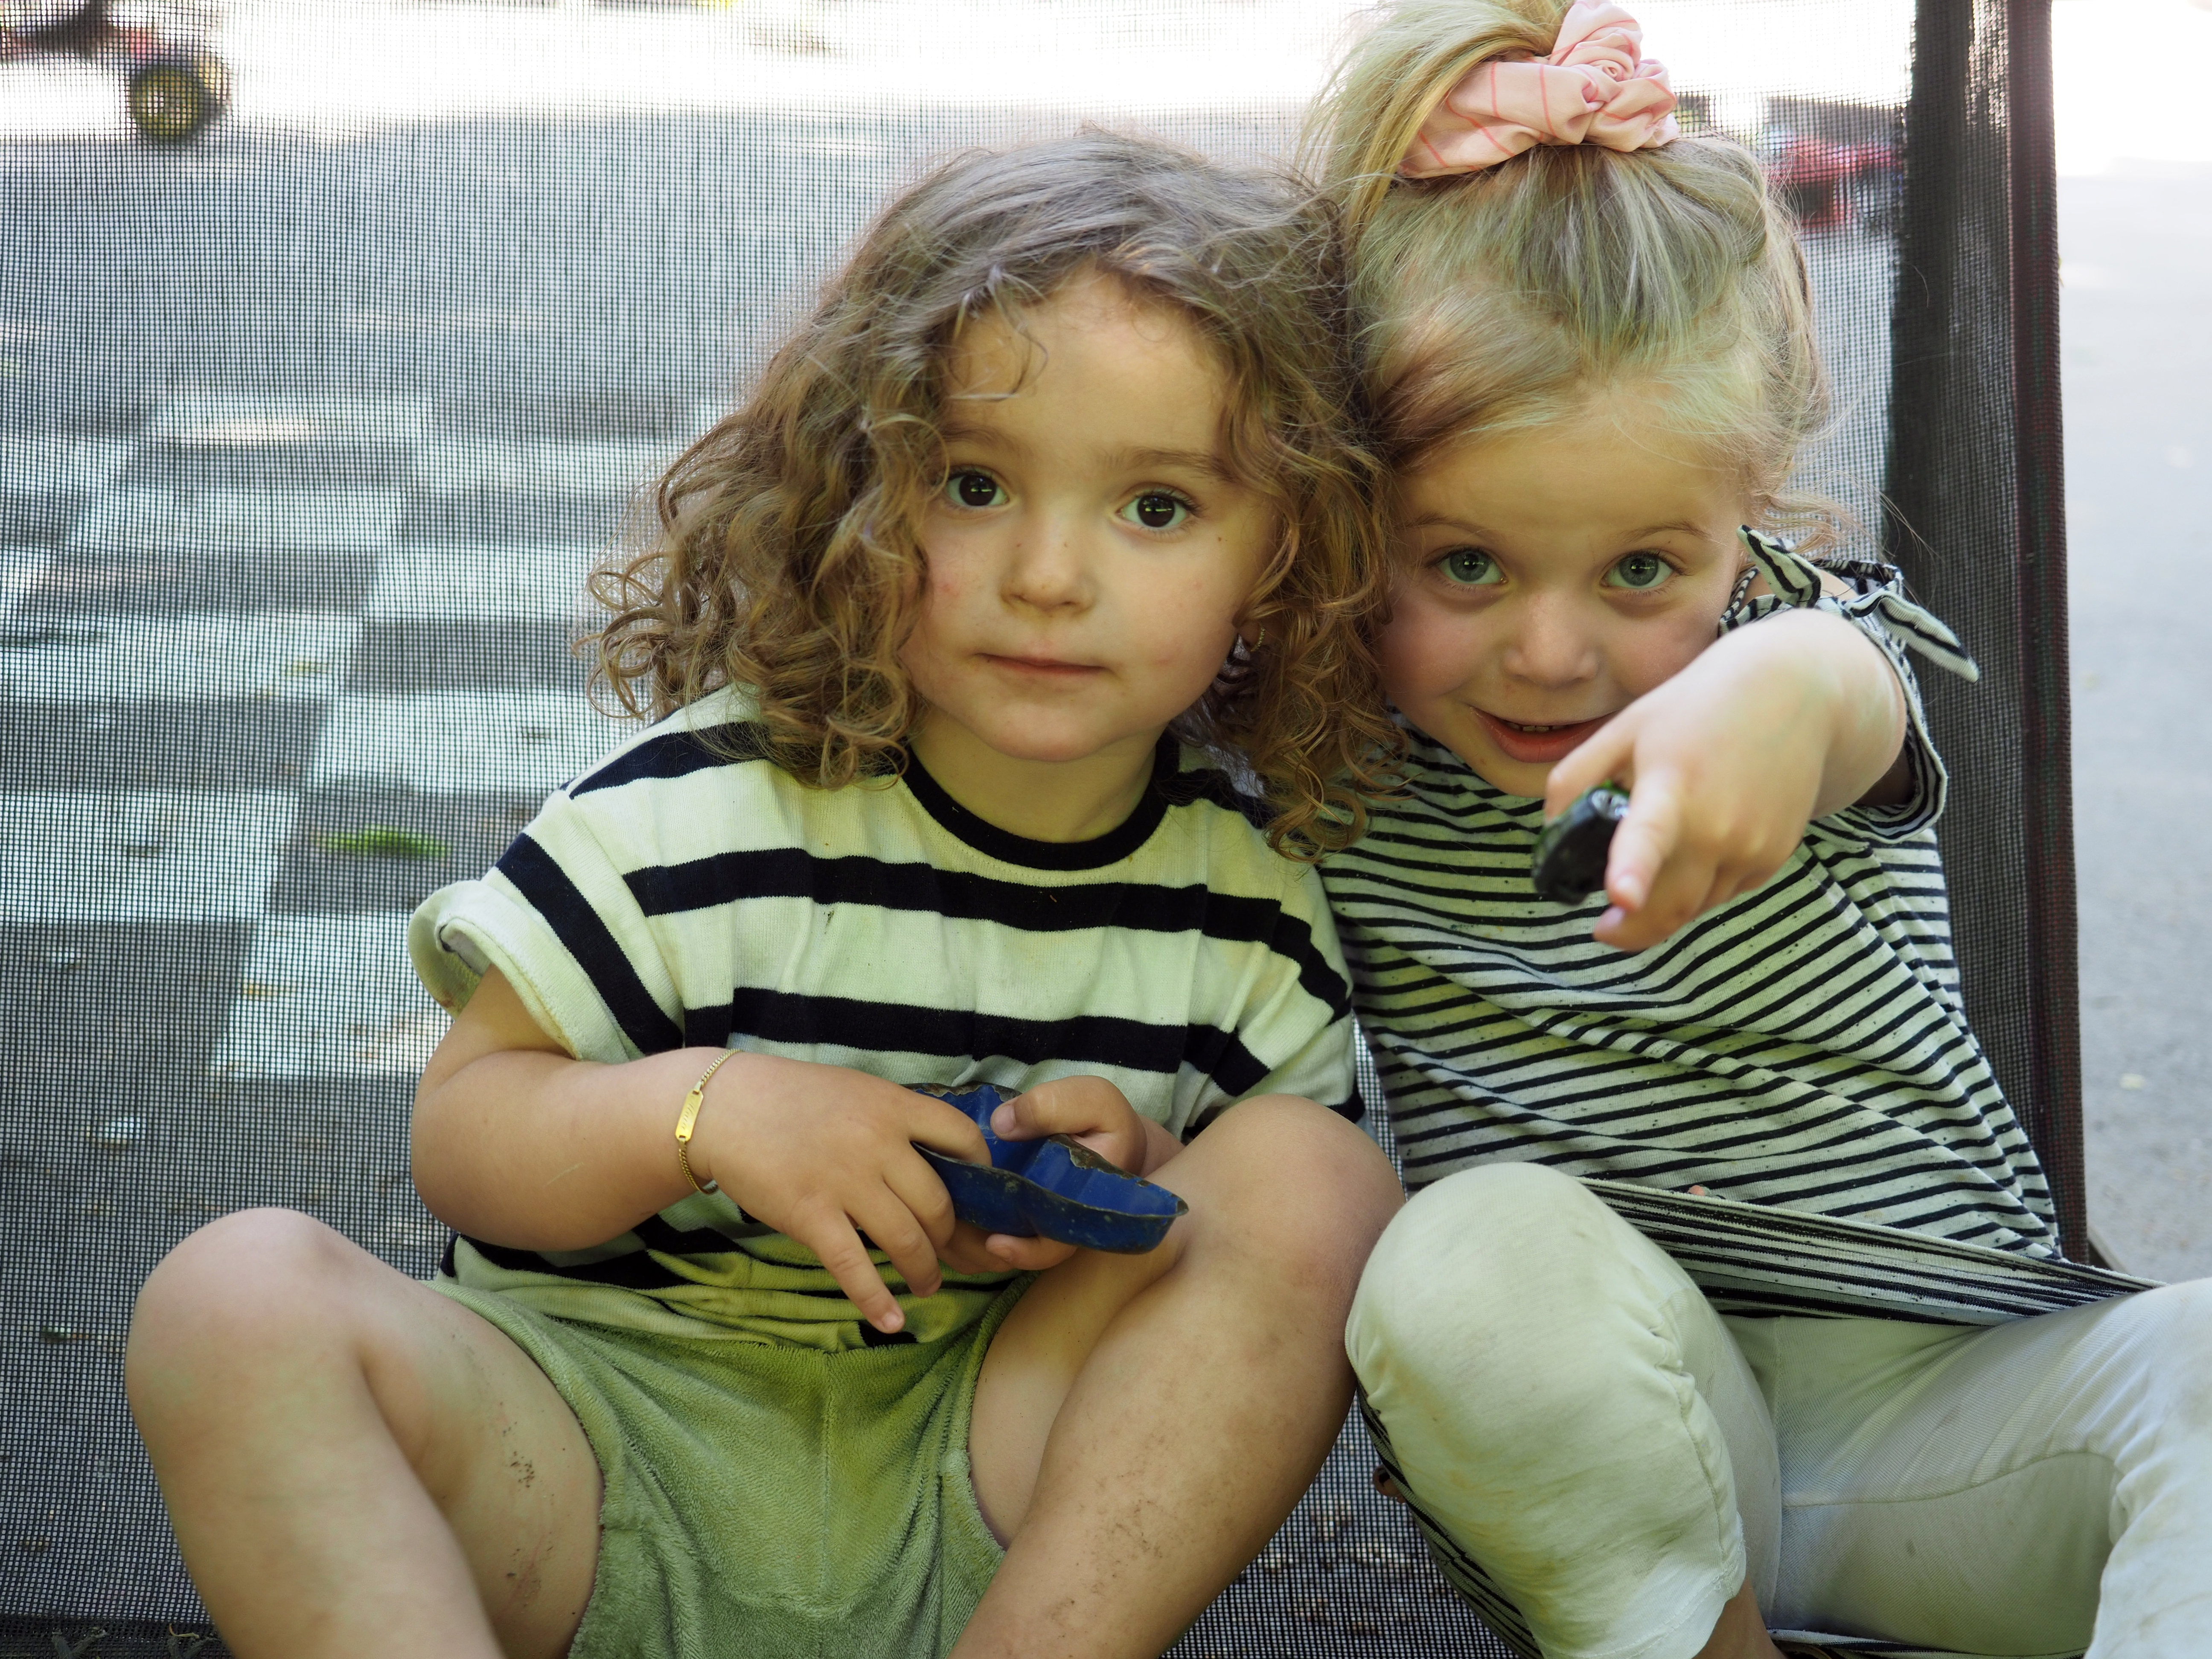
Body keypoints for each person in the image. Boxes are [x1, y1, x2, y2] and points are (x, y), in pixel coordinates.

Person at [123, 131, 1406, 1659]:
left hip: (980, 1492)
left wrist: (1129, 1179)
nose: (1051, 576)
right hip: (593, 1450)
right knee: (234, 1295)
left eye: (1156, 510)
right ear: (854, 492)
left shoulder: (1251, 900)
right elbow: (464, 1145)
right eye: (977, 484)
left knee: (1314, 1183)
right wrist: (708, 1110)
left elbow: (1237, 1303)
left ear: (1293, 551)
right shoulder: (697, 809)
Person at [1307, 4, 2212, 1656]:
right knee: (1463, 1248)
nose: (1556, 653)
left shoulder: (1797, 651)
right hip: (1597, 1479)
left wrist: (1772, 692)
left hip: (1966, 1421)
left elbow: (1839, 689)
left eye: (1644, 569)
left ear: (1754, 517)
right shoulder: (1308, 736)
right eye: (1463, 565)